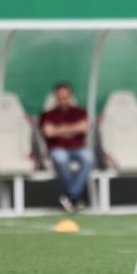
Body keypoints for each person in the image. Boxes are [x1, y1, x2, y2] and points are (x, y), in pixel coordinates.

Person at [39, 82, 94, 213]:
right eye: (60, 97)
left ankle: (72, 197)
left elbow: (84, 127)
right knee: (61, 158)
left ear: (70, 96)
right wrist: (73, 129)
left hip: (78, 148)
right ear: (56, 97)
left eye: (66, 96)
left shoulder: (80, 112)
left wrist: (60, 129)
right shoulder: (48, 114)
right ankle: (74, 198)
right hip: (58, 148)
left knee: (89, 157)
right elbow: (48, 132)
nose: (63, 99)